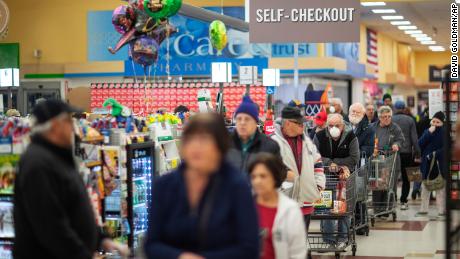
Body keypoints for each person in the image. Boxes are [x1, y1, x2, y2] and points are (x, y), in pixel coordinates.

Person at [13, 100, 128, 259]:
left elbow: (72, 208)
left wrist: (101, 240)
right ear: (54, 126)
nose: (73, 128)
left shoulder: (57, 157)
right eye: (68, 121)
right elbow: (50, 225)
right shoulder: (37, 164)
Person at [144, 113, 259, 259]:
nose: (196, 146)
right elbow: (151, 245)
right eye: (190, 139)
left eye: (204, 139)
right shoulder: (164, 186)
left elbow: (249, 249)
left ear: (220, 146)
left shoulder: (236, 186)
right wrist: (180, 256)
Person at [271, 106, 325, 232]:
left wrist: (318, 185)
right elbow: (268, 170)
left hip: (306, 202)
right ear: (288, 123)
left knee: (300, 244)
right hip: (283, 204)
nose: (303, 126)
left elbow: (318, 163)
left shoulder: (307, 142)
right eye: (299, 123)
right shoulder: (273, 142)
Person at [313, 114, 360, 248]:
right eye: (331, 125)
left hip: (344, 178)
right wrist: (329, 163)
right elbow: (314, 155)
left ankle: (343, 237)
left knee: (342, 208)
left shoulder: (351, 137)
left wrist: (336, 164)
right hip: (325, 177)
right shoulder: (320, 136)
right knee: (326, 208)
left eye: (337, 125)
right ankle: (328, 239)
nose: (334, 128)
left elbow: (354, 158)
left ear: (343, 125)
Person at [249, 153, 307, 259]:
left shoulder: (291, 210)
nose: (257, 181)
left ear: (275, 178)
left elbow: (298, 252)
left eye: (263, 176)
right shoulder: (244, 206)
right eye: (253, 177)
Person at [227, 95, 282, 174]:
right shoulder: (225, 144)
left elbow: (278, 173)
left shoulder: (270, 146)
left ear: (255, 121)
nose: (242, 123)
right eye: (239, 119)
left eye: (247, 119)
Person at [372, 106, 404, 215]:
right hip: (377, 161)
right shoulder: (373, 127)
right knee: (377, 185)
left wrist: (396, 144)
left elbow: (401, 139)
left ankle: (387, 209)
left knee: (390, 185)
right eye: (384, 117)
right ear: (379, 117)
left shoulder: (395, 127)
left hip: (391, 160)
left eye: (389, 116)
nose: (387, 119)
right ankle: (377, 208)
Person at [416, 111, 446, 218]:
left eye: (438, 122)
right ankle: (423, 209)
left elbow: (446, 148)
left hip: (438, 164)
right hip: (426, 163)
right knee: (425, 186)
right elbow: (419, 144)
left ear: (442, 123)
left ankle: (442, 210)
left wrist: (434, 154)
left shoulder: (444, 133)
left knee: (440, 187)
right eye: (433, 121)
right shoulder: (427, 131)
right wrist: (428, 132)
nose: (435, 124)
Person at [392, 101, 421, 210]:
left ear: (395, 108)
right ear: (404, 108)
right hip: (406, 153)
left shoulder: (391, 120)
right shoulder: (410, 120)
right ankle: (404, 200)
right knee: (406, 178)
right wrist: (418, 152)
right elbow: (414, 138)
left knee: (392, 177)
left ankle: (393, 198)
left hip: (393, 152)